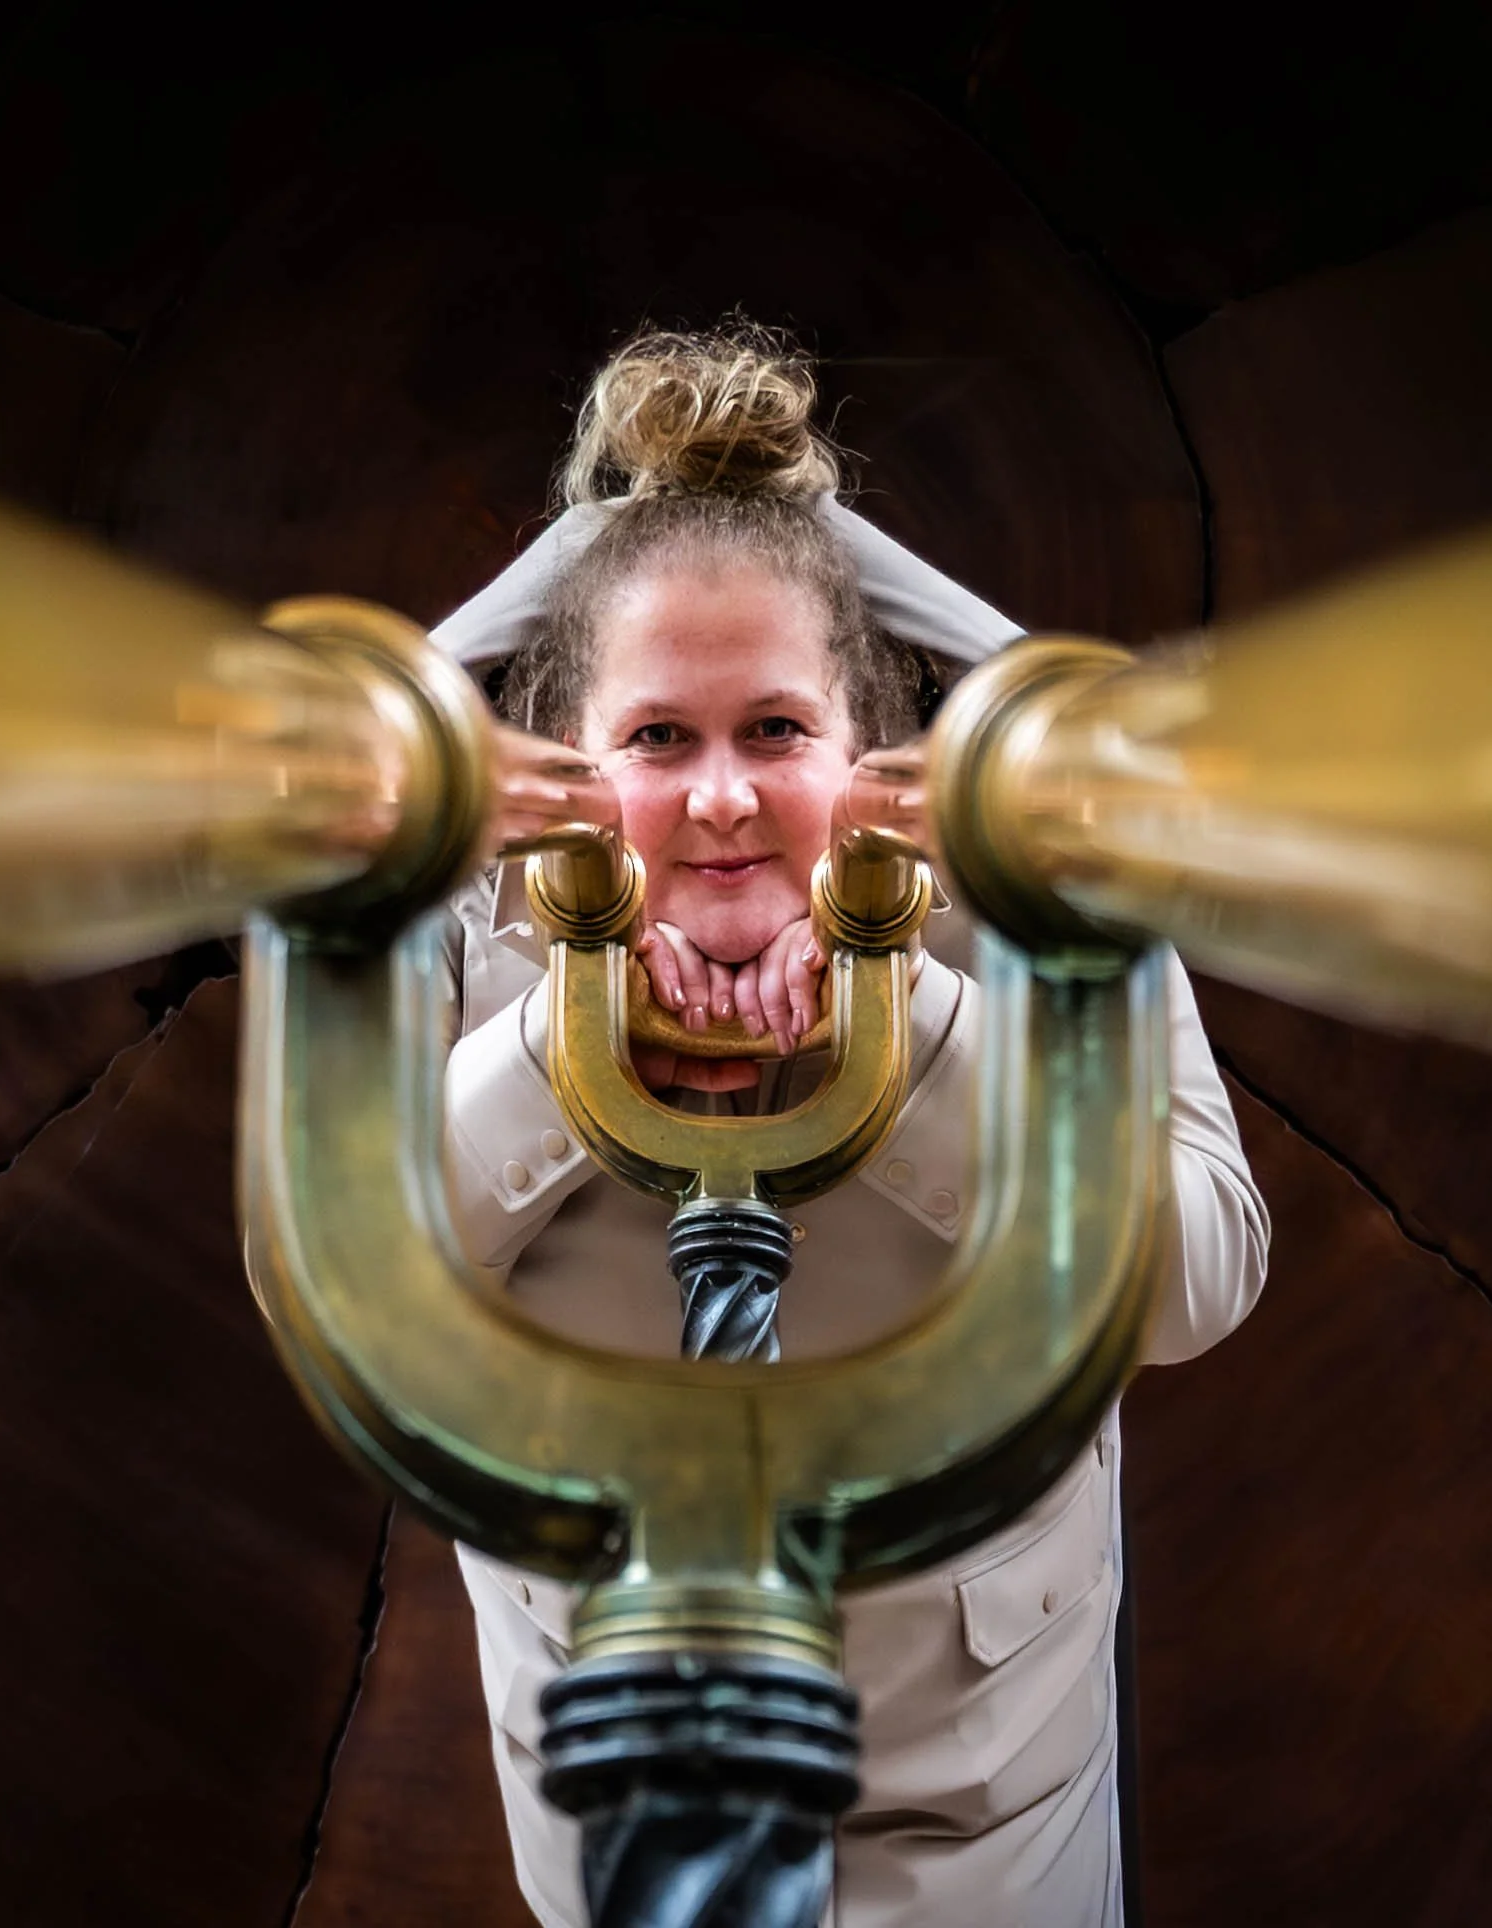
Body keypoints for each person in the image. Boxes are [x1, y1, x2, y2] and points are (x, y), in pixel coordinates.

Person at [429, 323, 1270, 1928]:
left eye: (777, 730)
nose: (724, 798)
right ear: (565, 770)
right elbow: (334, 1266)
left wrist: (909, 1041)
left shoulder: (1037, 893)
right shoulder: (461, 926)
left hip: (981, 1821)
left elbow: (1199, 1278)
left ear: (867, 745)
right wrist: (559, 1048)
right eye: (657, 738)